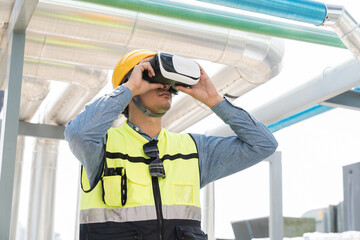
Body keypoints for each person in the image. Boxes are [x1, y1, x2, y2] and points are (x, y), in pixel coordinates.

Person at [64, 49, 278, 240]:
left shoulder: (194, 149)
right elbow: (77, 134)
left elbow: (263, 144)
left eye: (168, 80)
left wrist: (214, 99)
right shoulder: (103, 146)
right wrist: (129, 88)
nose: (165, 85)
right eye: (152, 77)